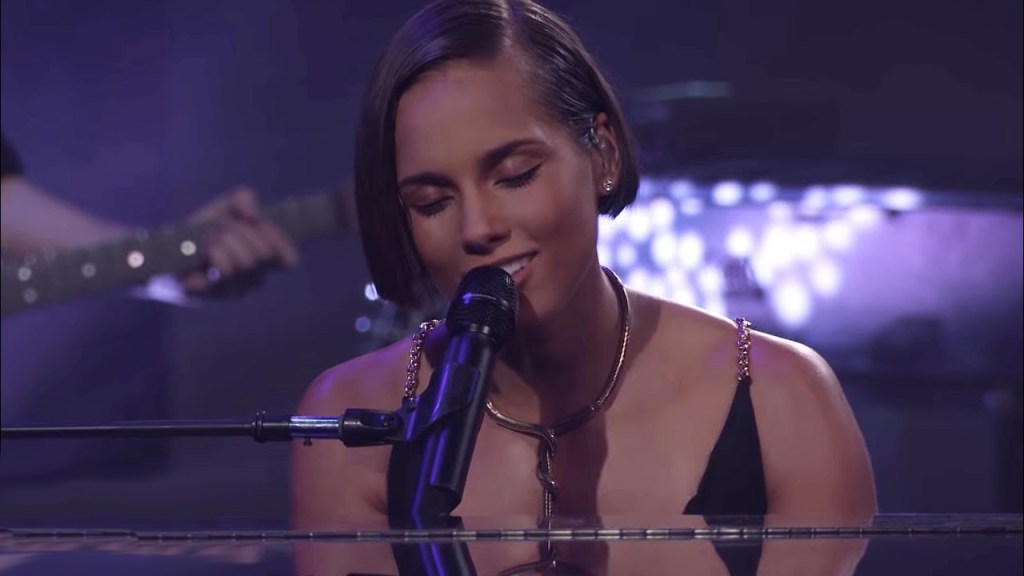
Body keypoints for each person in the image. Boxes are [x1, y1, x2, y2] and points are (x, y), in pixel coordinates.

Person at [291, 0, 875, 572]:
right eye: (431, 202)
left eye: (516, 175)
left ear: (604, 156)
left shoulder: (780, 399)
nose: (477, 228)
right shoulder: (348, 418)